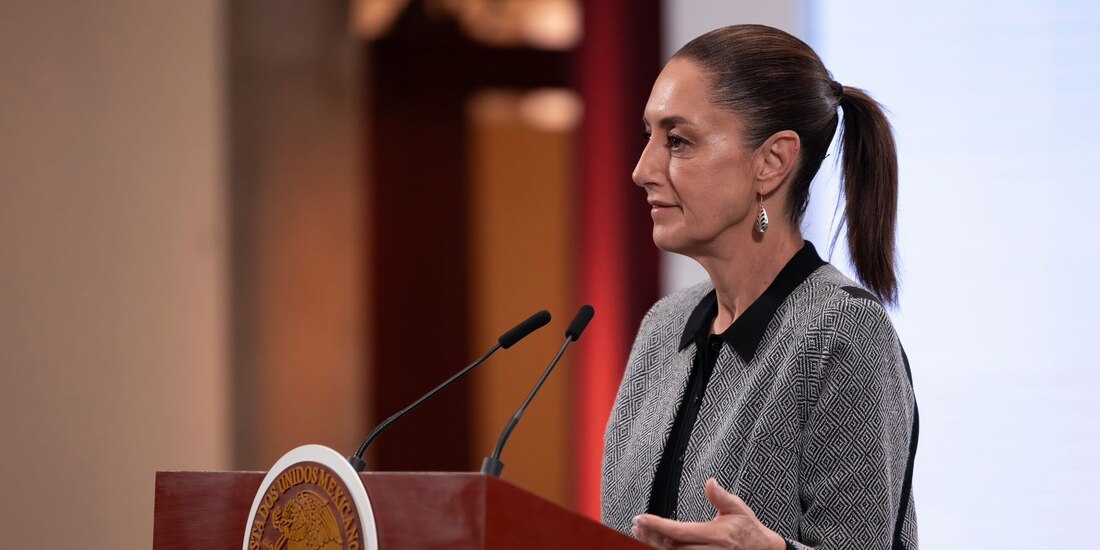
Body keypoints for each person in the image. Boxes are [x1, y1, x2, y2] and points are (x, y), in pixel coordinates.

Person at [600, 25, 918, 550]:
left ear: (772, 162)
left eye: (678, 141)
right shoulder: (663, 330)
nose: (642, 170)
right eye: (648, 137)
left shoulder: (842, 334)